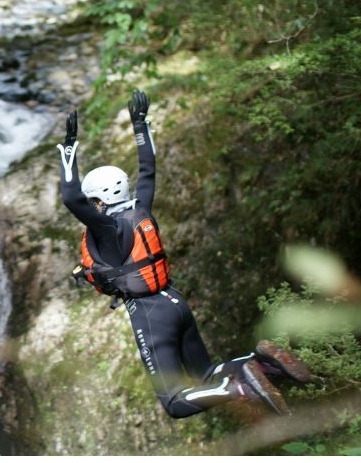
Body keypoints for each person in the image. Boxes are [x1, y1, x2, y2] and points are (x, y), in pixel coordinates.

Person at [56, 91, 311, 418]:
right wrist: (139, 125)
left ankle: (239, 387)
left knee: (174, 402)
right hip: (175, 302)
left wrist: (69, 150)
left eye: (93, 202)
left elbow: (70, 199)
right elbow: (147, 170)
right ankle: (262, 363)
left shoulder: (108, 229)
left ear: (99, 203)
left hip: (151, 314)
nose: (91, 207)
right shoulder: (141, 210)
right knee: (206, 374)